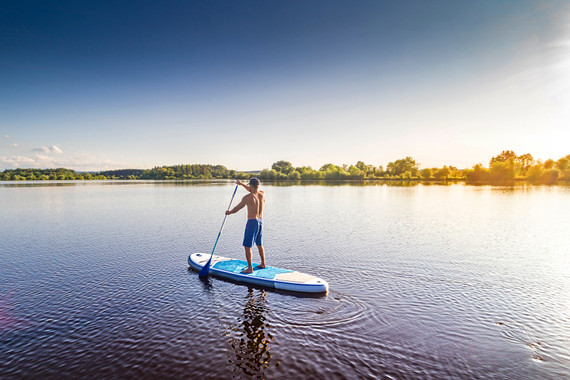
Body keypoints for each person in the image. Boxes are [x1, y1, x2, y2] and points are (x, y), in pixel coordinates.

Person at [225, 178, 266, 274]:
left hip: (252, 222)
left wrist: (229, 212)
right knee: (259, 244)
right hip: (260, 221)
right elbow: (252, 190)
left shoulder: (247, 198)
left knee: (247, 246)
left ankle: (250, 268)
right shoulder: (262, 194)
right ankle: (263, 263)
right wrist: (242, 184)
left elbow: (237, 208)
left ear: (251, 186)